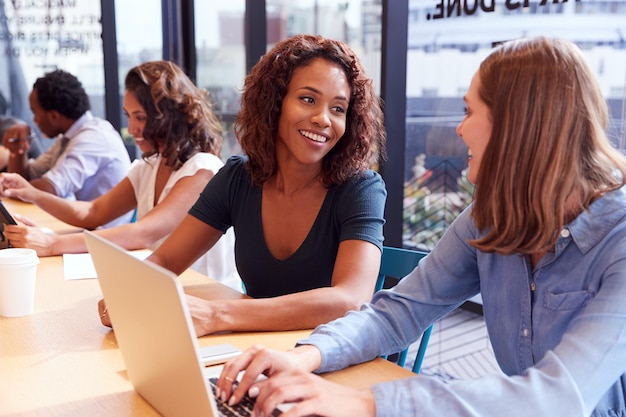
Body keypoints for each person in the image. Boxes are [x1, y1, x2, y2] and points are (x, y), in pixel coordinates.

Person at [214, 37, 626, 417]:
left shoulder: (619, 241)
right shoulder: (488, 219)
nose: (459, 128)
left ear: (519, 126)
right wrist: (304, 356)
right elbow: (399, 312)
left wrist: (364, 401)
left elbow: (558, 397)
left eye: (468, 111)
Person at [124, 34, 387, 336]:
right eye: (308, 99)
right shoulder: (237, 179)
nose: (322, 119)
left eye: (338, 109)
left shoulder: (361, 189)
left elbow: (350, 300)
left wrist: (217, 314)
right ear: (275, 103)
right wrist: (130, 293)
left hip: (330, 358)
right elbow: (167, 258)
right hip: (260, 350)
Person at [0, 61, 240, 290]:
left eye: (140, 117)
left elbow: (143, 233)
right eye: (129, 116)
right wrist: (32, 195)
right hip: (165, 284)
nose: (132, 128)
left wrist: (52, 243)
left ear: (168, 115)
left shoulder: (203, 169)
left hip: (205, 290)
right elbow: (93, 212)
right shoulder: (150, 165)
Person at [1, 69, 131, 227]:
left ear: (54, 116)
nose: (34, 121)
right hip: (86, 228)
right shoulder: (68, 137)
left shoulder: (92, 139)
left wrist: (15, 187)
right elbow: (27, 179)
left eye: (35, 113)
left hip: (105, 234)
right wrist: (17, 149)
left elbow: (45, 191)